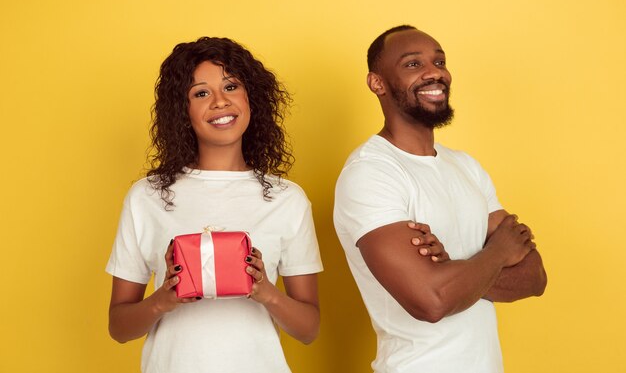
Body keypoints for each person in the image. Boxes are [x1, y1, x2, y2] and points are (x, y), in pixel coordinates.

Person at [333, 25, 547, 373]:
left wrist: (451, 272)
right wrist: (497, 252)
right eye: (413, 64)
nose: (435, 72)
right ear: (377, 83)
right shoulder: (370, 173)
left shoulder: (466, 166)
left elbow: (535, 277)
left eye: (440, 61)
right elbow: (431, 302)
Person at [105, 37, 324, 373]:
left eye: (231, 86)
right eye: (201, 93)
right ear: (183, 109)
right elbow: (119, 328)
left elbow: (309, 329)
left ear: (251, 98)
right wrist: (164, 298)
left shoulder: (286, 199)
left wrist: (267, 292)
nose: (221, 102)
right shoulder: (147, 196)